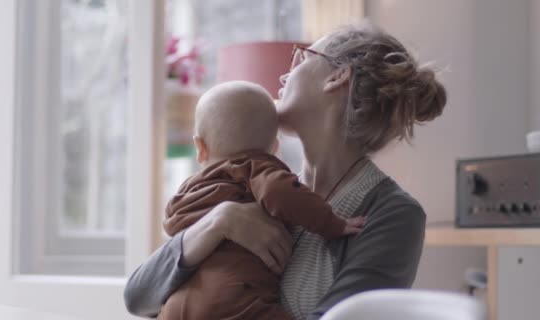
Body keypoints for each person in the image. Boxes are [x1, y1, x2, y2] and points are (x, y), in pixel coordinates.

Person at [124, 21, 447, 320]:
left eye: (301, 59)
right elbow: (138, 297)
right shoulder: (258, 186)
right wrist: (219, 222)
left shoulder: (393, 215)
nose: (284, 75)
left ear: (337, 77)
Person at [158, 81, 365, 320]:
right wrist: (334, 223)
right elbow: (281, 194)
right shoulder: (256, 168)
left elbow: (172, 223)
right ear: (274, 148)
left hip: (176, 303)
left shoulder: (189, 189)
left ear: (200, 147)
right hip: (234, 299)